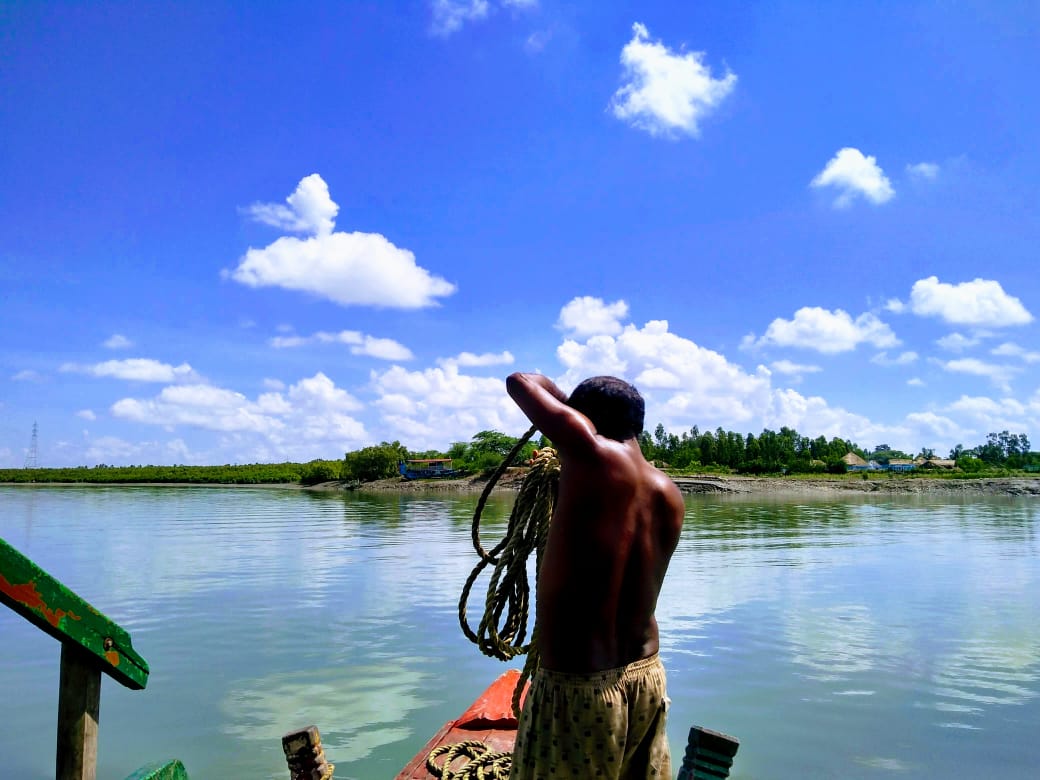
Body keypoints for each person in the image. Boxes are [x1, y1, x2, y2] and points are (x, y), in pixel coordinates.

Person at [505, 372, 685, 779]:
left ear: (583, 421)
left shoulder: (592, 456)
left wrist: (571, 410)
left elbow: (521, 381)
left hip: (579, 686)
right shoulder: (668, 491)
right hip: (647, 676)